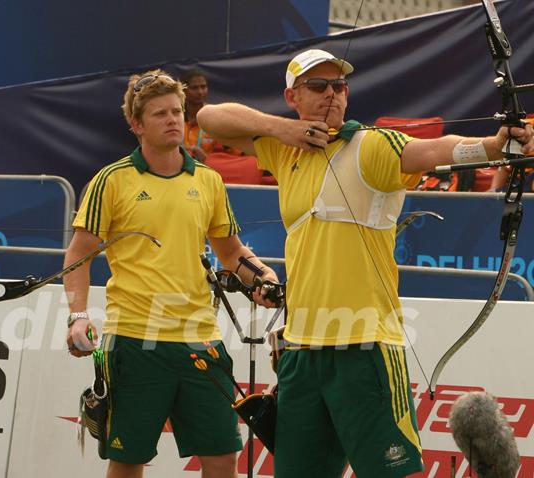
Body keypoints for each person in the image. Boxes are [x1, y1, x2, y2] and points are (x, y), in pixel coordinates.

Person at [196, 49, 534, 477]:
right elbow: (209, 117)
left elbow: (431, 151)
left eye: (339, 86)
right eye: (318, 86)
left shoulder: (371, 145)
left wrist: (491, 146)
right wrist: (285, 129)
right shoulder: (284, 150)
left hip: (365, 347)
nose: (332, 95)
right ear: (292, 95)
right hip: (301, 351)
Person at [64, 69, 279, 478]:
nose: (173, 120)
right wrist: (77, 316)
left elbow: (231, 253)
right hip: (134, 342)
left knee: (221, 461)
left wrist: (263, 278)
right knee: (128, 462)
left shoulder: (209, 181)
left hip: (201, 343)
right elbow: (77, 256)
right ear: (136, 124)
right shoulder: (111, 180)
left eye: (178, 111)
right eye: (160, 113)